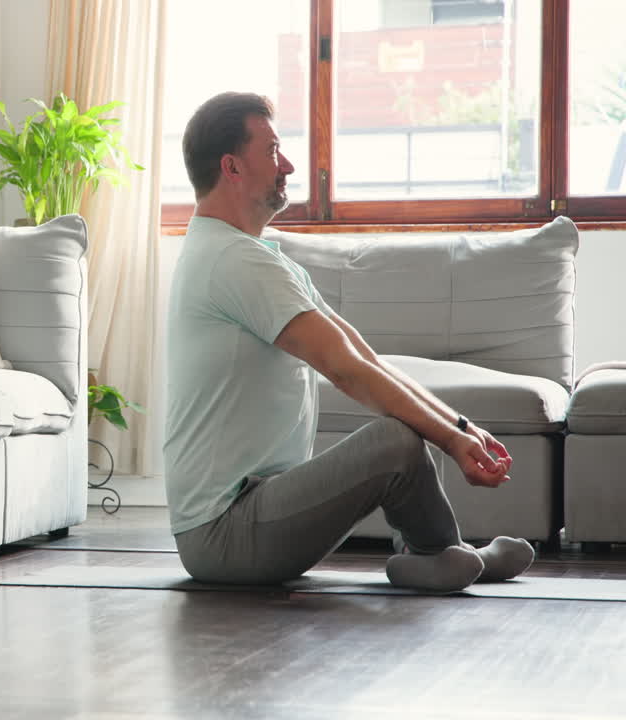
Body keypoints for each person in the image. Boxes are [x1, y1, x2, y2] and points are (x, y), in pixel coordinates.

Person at [164, 92, 534, 591]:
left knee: (399, 431)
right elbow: (345, 371)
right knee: (393, 439)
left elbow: (363, 357)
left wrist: (460, 425)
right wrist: (451, 441)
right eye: (272, 150)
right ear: (231, 167)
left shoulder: (255, 256)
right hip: (225, 534)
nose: (288, 164)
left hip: (255, 510)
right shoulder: (231, 261)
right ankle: (442, 555)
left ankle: (437, 555)